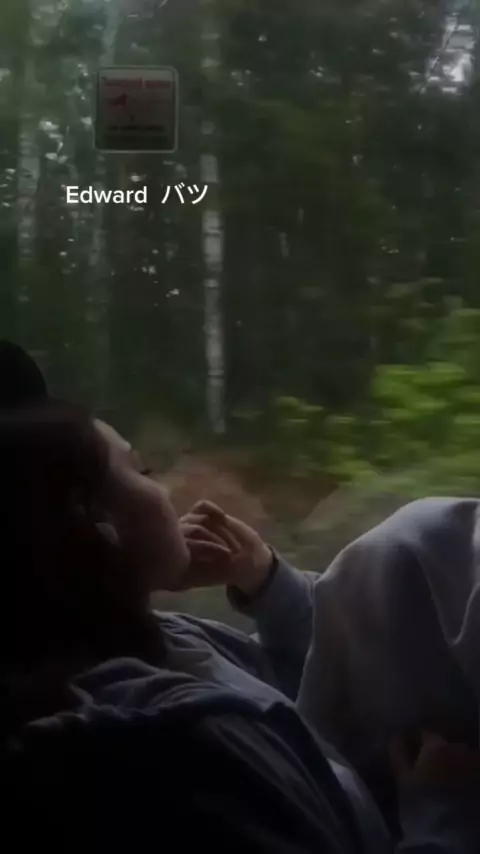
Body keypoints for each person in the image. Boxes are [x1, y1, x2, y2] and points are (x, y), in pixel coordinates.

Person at [0, 341, 478, 852]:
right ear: (99, 524)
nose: (168, 491)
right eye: (142, 472)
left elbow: (306, 694)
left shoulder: (166, 639)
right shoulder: (175, 746)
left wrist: (266, 585)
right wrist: (441, 818)